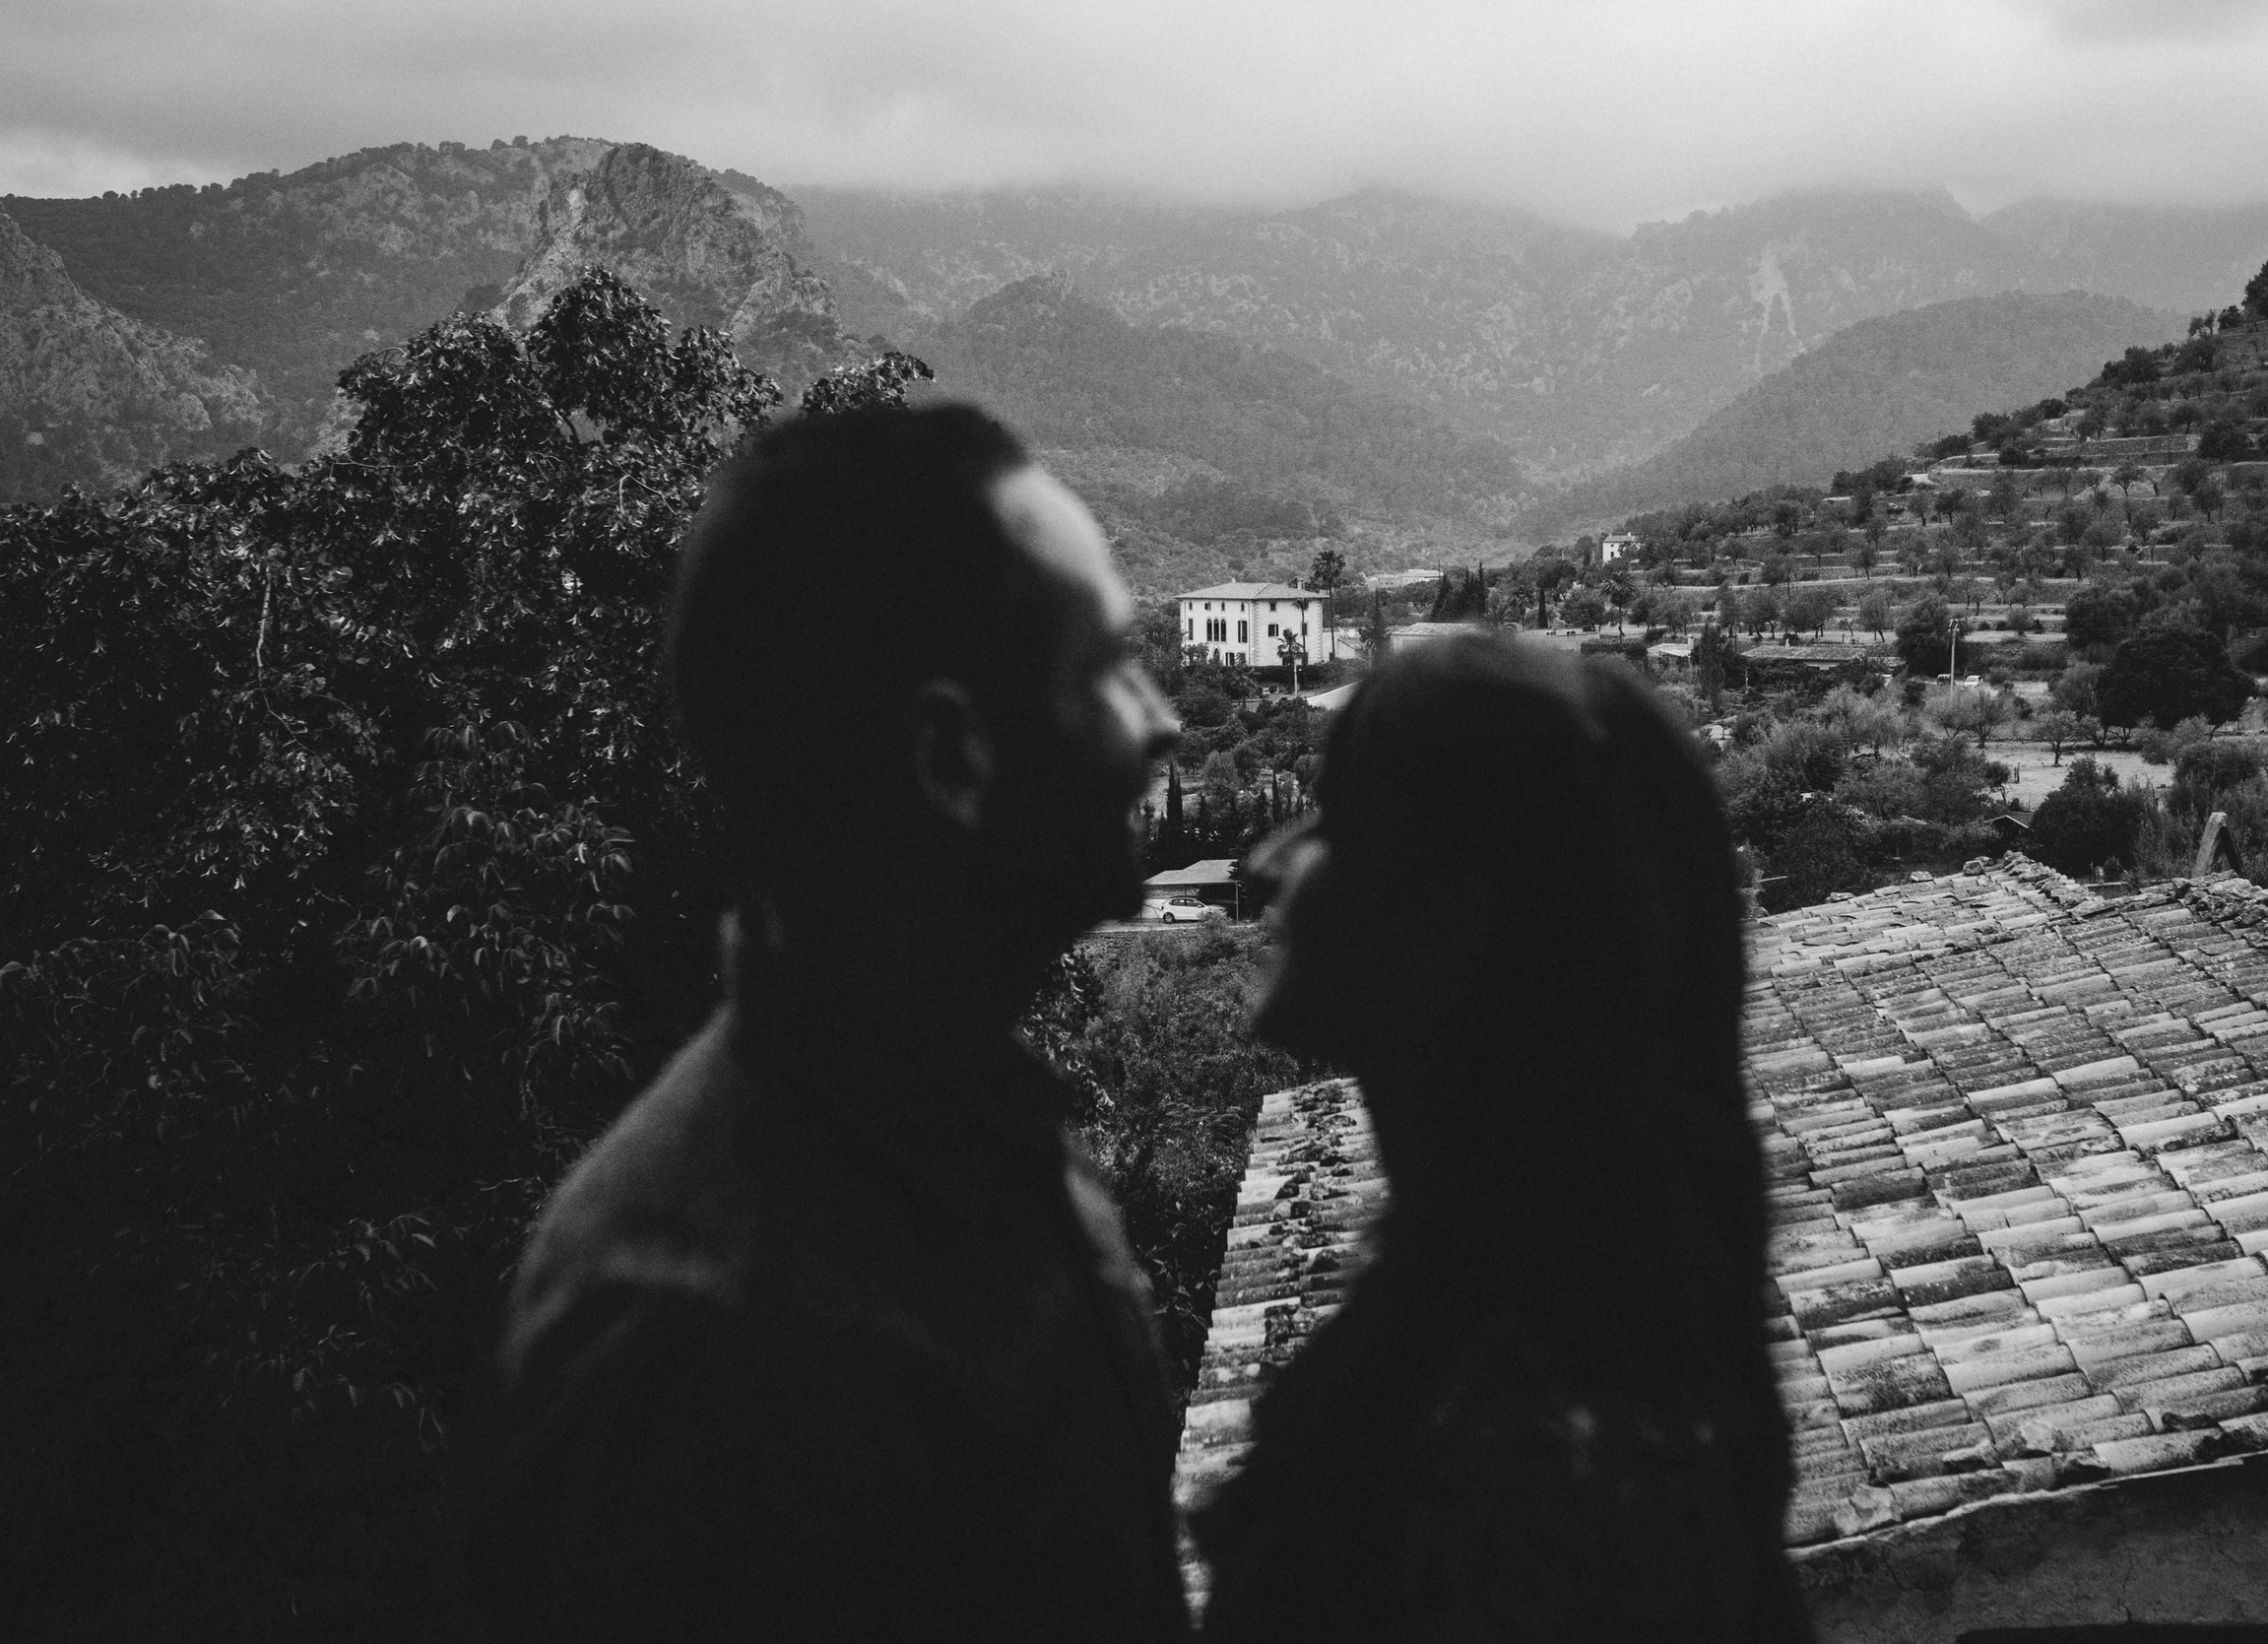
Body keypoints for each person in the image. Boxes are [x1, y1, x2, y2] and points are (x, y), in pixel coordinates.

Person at [463, 405, 1187, 1642]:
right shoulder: (703, 1355)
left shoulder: (959, 1130)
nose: (1162, 718)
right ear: (951, 757)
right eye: (1107, 668)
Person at [1195, 634, 1807, 1644]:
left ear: (1457, 917)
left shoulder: (1534, 1495)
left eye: (1336, 822)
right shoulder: (1529, 1360)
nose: (1268, 862)